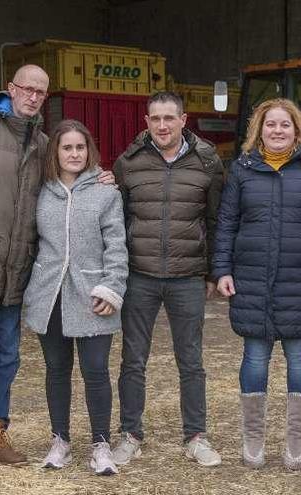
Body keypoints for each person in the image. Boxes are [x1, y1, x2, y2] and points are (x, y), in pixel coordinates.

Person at [0, 65, 114, 484]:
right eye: (27, 89)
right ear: (11, 89)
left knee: (7, 357)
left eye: (41, 93)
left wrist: (99, 177)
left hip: (16, 270)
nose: (32, 96)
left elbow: (67, 181)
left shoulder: (43, 142)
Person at [213, 98, 301, 470]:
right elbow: (226, 223)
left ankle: (296, 440)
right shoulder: (242, 170)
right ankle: (253, 440)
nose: (277, 130)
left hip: (300, 277)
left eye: (285, 124)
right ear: (259, 129)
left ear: (296, 129)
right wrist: (222, 270)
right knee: (254, 356)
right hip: (250, 276)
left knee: (300, 356)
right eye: (270, 124)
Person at [110, 91, 225, 467]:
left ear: (183, 119)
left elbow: (214, 220)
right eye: (155, 118)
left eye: (169, 118)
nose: (162, 125)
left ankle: (195, 436)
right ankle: (129, 435)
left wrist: (211, 270)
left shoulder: (207, 162)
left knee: (190, 361)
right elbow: (116, 220)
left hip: (187, 276)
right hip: (138, 275)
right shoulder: (128, 163)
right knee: (133, 360)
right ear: (146, 121)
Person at [21, 120, 128, 476]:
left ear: (89, 151)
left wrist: (112, 289)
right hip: (49, 294)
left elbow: (116, 245)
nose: (74, 154)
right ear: (55, 152)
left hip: (92, 295)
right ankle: (60, 441)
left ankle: (100, 444)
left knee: (95, 371)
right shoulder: (42, 192)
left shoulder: (105, 191)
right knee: (56, 370)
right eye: (66, 148)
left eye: (80, 147)